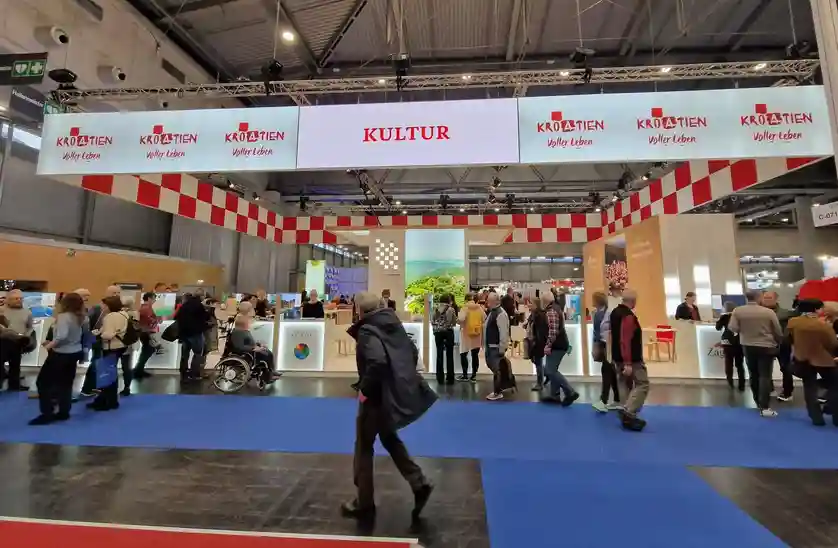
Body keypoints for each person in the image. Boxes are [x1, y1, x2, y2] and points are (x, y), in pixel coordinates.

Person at [342, 291, 435, 520]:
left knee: (364, 446)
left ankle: (364, 501)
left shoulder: (367, 330)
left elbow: (377, 362)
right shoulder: (393, 323)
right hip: (391, 394)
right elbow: (411, 351)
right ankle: (418, 482)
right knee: (389, 438)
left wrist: (364, 390)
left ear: (359, 310)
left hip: (375, 398)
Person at [30, 293, 89, 425]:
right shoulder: (82, 317)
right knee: (66, 383)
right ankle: (64, 411)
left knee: (43, 382)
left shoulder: (64, 317)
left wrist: (49, 345)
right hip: (74, 352)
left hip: (61, 354)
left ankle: (47, 413)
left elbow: (62, 336)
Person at [729, 289, 783, 418]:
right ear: (759, 298)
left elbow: (733, 328)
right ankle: (765, 406)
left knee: (753, 373)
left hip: (747, 345)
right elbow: (777, 330)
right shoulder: (768, 312)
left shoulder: (738, 311)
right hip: (766, 345)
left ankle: (757, 401)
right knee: (765, 376)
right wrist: (778, 341)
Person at [787, 299, 838, 427]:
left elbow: (789, 338)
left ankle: (816, 418)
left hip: (802, 358)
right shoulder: (822, 325)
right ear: (816, 309)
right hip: (823, 360)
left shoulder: (793, 322)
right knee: (834, 386)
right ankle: (836, 417)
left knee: (809, 387)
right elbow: (832, 343)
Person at [609, 289, 650, 431]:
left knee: (623, 383)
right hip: (631, 359)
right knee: (642, 384)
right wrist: (628, 362)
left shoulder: (614, 313)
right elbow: (625, 340)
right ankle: (629, 411)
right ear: (633, 301)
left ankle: (625, 410)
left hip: (617, 356)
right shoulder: (628, 316)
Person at [89, 295, 129, 411]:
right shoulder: (124, 314)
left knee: (107, 375)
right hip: (121, 346)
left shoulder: (110, 316)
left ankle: (108, 401)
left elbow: (108, 334)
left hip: (111, 347)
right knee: (110, 374)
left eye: (103, 304)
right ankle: (107, 400)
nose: (101, 306)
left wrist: (98, 335)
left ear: (108, 305)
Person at [80, 285, 121, 397]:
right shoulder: (97, 308)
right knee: (96, 363)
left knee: (100, 364)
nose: (116, 295)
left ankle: (92, 387)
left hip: (107, 341)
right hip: (97, 340)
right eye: (114, 293)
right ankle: (87, 388)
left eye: (118, 293)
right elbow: (88, 322)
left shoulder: (116, 309)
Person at [540, 291, 578, 406]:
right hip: (560, 344)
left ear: (545, 301)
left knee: (550, 370)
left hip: (557, 345)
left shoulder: (551, 311)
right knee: (552, 369)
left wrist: (548, 345)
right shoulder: (557, 308)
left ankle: (570, 391)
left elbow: (553, 331)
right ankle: (554, 394)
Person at [761, 290, 794, 401]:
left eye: (769, 298)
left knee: (786, 368)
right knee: (765, 369)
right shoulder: (758, 312)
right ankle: (769, 389)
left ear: (776, 299)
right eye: (765, 297)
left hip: (782, 344)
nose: (766, 300)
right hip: (764, 344)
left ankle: (788, 392)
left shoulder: (786, 313)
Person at [228, 314, 279, 384]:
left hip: (251, 350)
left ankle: (271, 372)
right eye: (248, 323)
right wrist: (253, 348)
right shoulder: (237, 333)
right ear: (243, 324)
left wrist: (259, 345)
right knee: (266, 355)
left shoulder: (244, 331)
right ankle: (268, 377)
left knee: (268, 353)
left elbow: (250, 342)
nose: (249, 324)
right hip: (246, 353)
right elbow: (239, 347)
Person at [591, 291, 619, 412]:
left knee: (606, 370)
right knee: (610, 371)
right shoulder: (607, 312)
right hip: (608, 344)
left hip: (605, 344)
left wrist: (595, 346)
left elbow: (597, 332)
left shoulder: (600, 314)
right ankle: (617, 399)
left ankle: (604, 400)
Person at [0, 289, 33, 391]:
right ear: (9, 300)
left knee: (15, 365)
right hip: (3, 341)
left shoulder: (27, 312)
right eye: (16, 298)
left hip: (18, 341)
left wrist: (27, 337)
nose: (19, 300)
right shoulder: (2, 311)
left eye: (20, 298)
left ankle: (14, 386)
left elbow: (30, 327)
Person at [175, 293, 211, 383]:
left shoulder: (184, 306)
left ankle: (183, 374)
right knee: (198, 354)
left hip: (185, 334)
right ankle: (193, 374)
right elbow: (205, 317)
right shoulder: (199, 306)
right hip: (196, 333)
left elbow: (177, 317)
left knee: (184, 355)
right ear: (201, 297)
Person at [484, 292, 511, 401]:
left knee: (497, 369)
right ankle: (501, 387)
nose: (487, 303)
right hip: (491, 346)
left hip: (495, 347)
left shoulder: (500, 314)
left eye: (489, 301)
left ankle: (497, 392)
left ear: (494, 302)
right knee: (496, 368)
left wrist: (502, 347)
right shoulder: (493, 312)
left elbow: (503, 333)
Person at [716, 301, 745, 391]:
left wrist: (720, 318)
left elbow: (718, 328)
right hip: (739, 341)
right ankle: (741, 384)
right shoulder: (740, 317)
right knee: (739, 364)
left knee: (728, 362)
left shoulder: (724, 317)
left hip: (727, 341)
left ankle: (730, 382)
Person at [457, 293, 485, 383]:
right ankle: (474, 375)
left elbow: (460, 319)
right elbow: (484, 318)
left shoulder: (464, 308)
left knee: (463, 354)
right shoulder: (479, 308)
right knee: (475, 355)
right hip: (477, 335)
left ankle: (465, 375)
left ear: (466, 300)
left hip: (465, 335)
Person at [432, 294, 457, 385]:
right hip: (448, 332)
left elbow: (432, 321)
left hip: (438, 333)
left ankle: (440, 378)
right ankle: (450, 378)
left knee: (439, 354)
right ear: (448, 300)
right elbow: (454, 322)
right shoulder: (451, 309)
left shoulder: (435, 309)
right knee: (449, 355)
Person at [134, 292, 159, 380]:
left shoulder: (145, 308)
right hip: (146, 332)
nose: (154, 301)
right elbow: (150, 320)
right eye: (153, 298)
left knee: (147, 350)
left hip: (145, 332)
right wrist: (156, 319)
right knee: (148, 350)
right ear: (149, 298)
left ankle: (139, 369)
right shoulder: (146, 309)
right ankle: (138, 370)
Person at [525, 296, 548, 391]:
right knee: (535, 360)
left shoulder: (539, 316)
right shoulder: (533, 314)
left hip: (538, 342)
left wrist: (537, 342)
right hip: (533, 341)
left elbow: (541, 331)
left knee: (538, 362)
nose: (529, 305)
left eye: (531, 303)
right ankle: (547, 374)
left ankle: (540, 383)